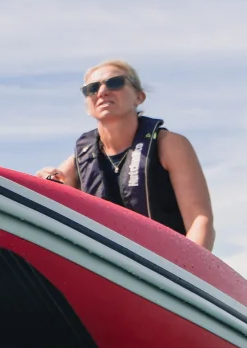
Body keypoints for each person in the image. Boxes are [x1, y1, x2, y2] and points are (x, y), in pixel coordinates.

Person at [37, 59, 215, 250]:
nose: (102, 92)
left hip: (165, 260)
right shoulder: (82, 158)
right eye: (92, 88)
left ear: (139, 97)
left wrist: (185, 267)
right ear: (87, 105)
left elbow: (200, 219)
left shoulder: (169, 145)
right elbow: (51, 191)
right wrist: (47, 179)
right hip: (106, 260)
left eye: (115, 83)